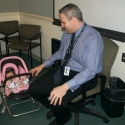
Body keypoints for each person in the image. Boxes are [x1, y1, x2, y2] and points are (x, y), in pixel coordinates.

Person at [28, 3, 104, 125]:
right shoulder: (68, 33)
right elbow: (61, 52)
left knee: (55, 100)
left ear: (73, 20)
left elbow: (90, 71)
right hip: (65, 69)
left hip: (84, 76)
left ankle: (63, 117)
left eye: (63, 22)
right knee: (33, 89)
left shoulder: (93, 38)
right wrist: (43, 65)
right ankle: (61, 110)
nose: (62, 26)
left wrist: (64, 87)